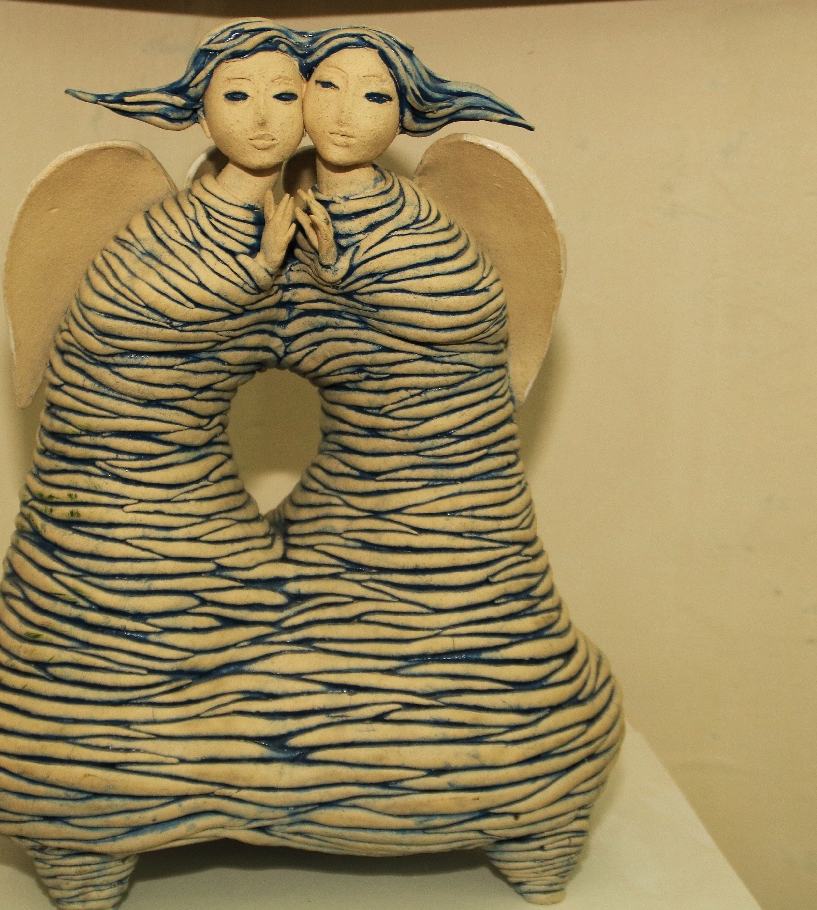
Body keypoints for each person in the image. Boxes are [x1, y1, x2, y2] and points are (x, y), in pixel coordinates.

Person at [0, 21, 312, 909]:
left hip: (200, 497)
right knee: (117, 633)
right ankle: (94, 785)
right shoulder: (171, 227)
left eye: (283, 96)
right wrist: (257, 272)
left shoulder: (293, 215)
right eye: (236, 96)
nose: (261, 119)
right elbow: (134, 326)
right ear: (200, 111)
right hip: (120, 485)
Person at [271, 26, 625, 904]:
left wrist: (344, 272)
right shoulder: (272, 211)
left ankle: (505, 782)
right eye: (327, 87)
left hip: (446, 489)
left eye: (375, 96)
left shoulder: (428, 227)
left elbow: (459, 329)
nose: (346, 114)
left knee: (474, 648)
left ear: (405, 115)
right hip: (341, 500)